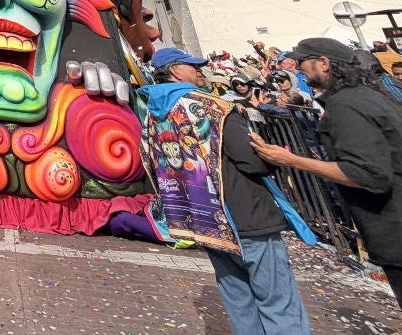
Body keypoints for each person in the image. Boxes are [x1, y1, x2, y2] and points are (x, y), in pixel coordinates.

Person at [140, 47, 313, 334]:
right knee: (277, 299)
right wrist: (277, 157)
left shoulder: (153, 115)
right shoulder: (213, 108)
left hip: (203, 219)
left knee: (238, 300)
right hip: (245, 214)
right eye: (191, 65)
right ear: (173, 71)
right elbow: (251, 160)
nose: (200, 70)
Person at [251, 37, 402, 308]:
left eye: (302, 63)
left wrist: (291, 160)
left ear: (323, 63)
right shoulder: (371, 95)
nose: (299, 70)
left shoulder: (346, 105)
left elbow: (367, 174)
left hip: (394, 224)